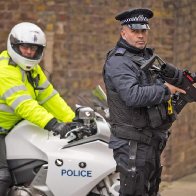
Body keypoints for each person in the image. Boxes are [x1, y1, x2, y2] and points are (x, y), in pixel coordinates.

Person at [103, 8, 186, 196]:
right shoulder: (119, 62)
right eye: (135, 31)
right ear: (123, 32)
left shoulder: (145, 57)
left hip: (149, 142)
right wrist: (165, 90)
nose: (140, 36)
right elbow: (132, 95)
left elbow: (164, 79)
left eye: (144, 31)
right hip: (132, 143)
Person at [0, 22, 75, 195]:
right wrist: (52, 123)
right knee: (2, 175)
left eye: (33, 48)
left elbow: (50, 97)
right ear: (14, 45)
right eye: (25, 47)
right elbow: (24, 104)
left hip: (14, 128)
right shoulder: (5, 70)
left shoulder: (33, 71)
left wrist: (73, 120)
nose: (29, 52)